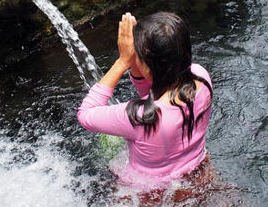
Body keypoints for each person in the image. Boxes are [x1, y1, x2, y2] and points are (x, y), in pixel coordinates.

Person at [77, 11, 213, 189]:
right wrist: (137, 61)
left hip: (148, 192)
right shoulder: (201, 78)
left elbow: (85, 114)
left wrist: (123, 61)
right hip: (198, 172)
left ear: (149, 66)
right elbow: (152, 92)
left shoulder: (140, 117)